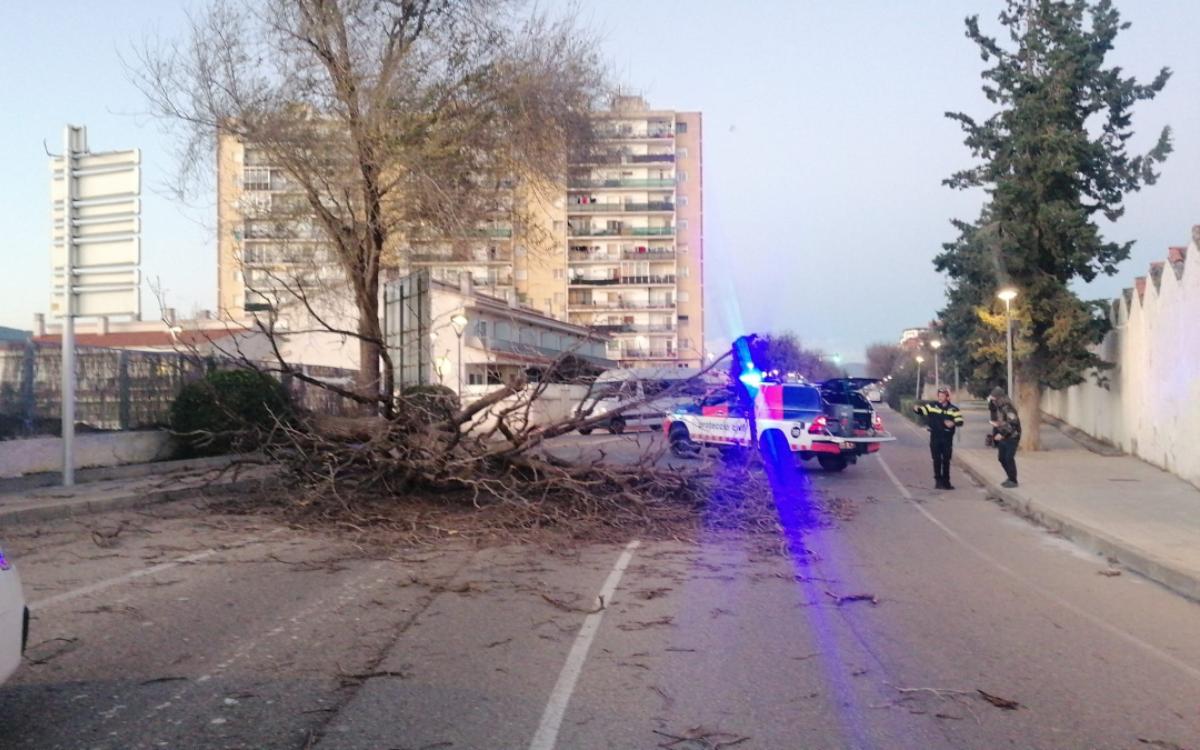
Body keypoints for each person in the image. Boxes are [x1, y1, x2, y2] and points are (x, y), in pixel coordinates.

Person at [913, 387, 964, 489]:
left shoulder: (953, 409)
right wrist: (916, 409)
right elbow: (922, 411)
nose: (940, 397)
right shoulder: (932, 406)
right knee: (936, 460)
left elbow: (960, 421)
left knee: (946, 460)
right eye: (939, 395)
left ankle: (946, 482)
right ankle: (938, 481)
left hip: (947, 438)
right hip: (935, 437)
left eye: (943, 395)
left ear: (947, 397)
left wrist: (953, 423)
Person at [988, 386, 1022, 487]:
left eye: (994, 399)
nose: (993, 401)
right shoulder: (999, 407)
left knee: (1008, 458)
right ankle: (1009, 477)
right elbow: (998, 417)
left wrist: (1002, 434)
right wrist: (997, 425)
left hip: (1012, 436)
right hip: (1004, 436)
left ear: (999, 398)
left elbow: (1013, 423)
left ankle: (1013, 480)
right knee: (1001, 458)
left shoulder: (1008, 407)